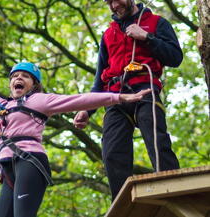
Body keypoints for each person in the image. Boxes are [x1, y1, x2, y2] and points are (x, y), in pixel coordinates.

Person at [0, 43, 150, 217]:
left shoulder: (38, 101)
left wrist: (120, 97)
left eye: (25, 76)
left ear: (34, 85)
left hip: (29, 162)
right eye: (15, 77)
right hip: (7, 172)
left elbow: (79, 99)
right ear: (10, 84)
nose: (18, 79)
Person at [73, 0, 182, 201]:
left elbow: (175, 57)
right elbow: (99, 82)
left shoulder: (156, 22)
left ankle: (174, 191)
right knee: (112, 153)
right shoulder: (108, 35)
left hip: (145, 90)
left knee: (156, 141)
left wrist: (147, 37)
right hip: (116, 97)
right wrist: (87, 110)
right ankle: (123, 205)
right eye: (109, 2)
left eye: (117, 0)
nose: (114, 5)